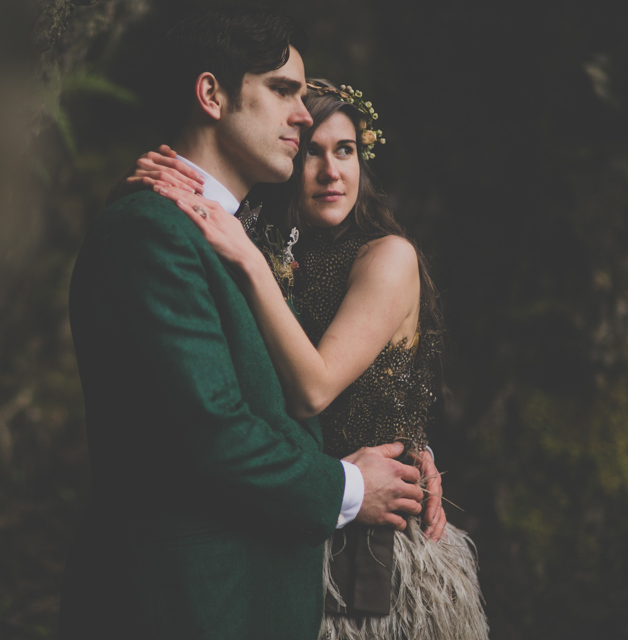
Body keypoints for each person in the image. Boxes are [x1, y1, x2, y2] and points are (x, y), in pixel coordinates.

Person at [59, 9, 429, 640]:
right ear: (211, 94)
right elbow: (210, 430)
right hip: (193, 603)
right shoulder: (154, 230)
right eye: (282, 90)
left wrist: (406, 441)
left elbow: (292, 393)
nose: (304, 115)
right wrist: (348, 486)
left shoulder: (228, 232)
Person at [130, 79, 488, 639]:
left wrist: (246, 257)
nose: (331, 172)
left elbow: (314, 390)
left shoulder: (387, 257)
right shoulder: (270, 247)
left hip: (372, 549)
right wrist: (172, 183)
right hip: (289, 520)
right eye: (313, 152)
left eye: (345, 150)